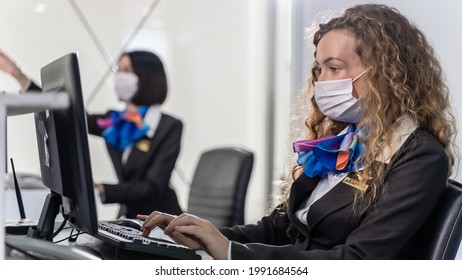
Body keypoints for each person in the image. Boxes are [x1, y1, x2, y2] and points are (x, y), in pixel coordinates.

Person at [137, 4, 458, 259]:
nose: (321, 81)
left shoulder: (419, 155)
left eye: (334, 68)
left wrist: (232, 253)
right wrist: (205, 236)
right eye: (319, 69)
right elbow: (279, 229)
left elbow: (361, 260)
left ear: (386, 73)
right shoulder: (344, 142)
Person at [0, 50, 184, 219]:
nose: (120, 76)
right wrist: (19, 75)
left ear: (148, 77)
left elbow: (152, 188)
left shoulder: (169, 126)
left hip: (164, 220)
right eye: (119, 69)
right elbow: (71, 115)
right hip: (130, 217)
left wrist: (101, 188)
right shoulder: (115, 122)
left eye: (127, 70)